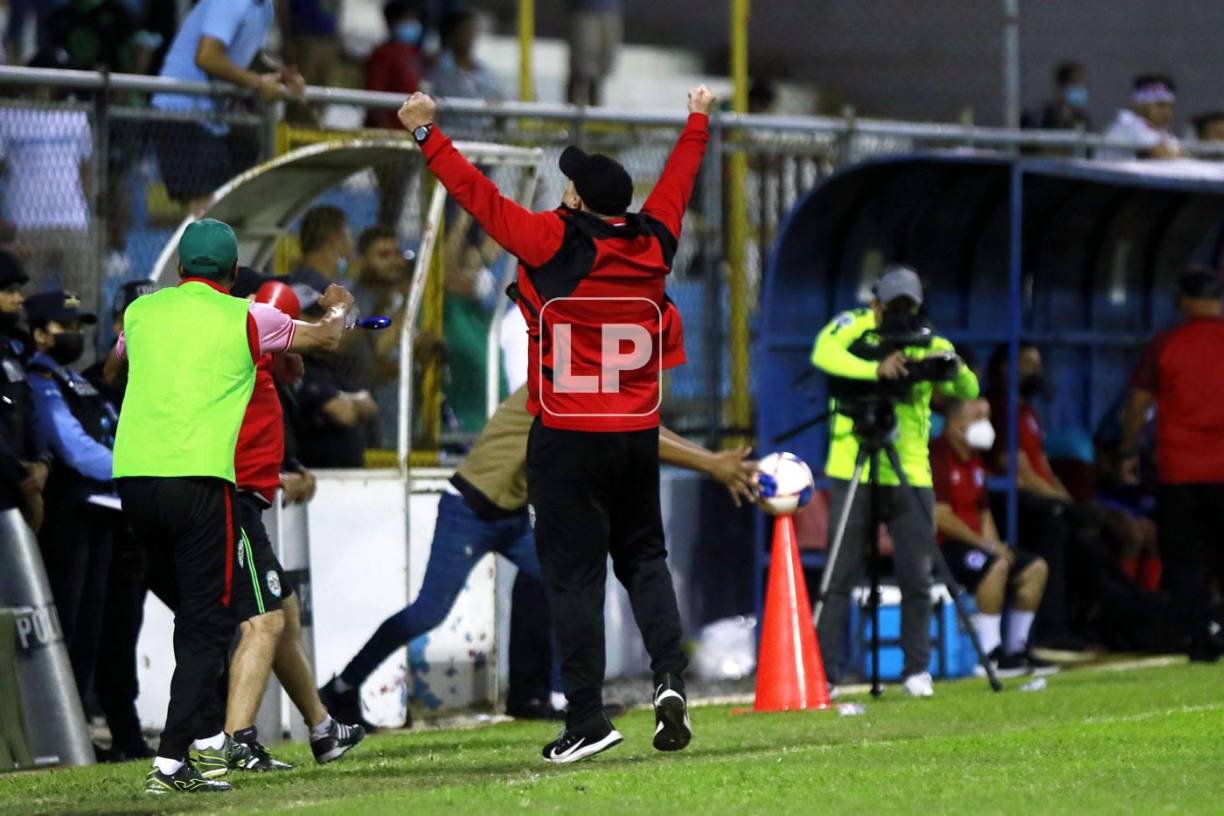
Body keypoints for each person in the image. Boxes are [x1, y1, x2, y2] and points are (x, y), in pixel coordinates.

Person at [396, 84, 715, 762]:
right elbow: (679, 183)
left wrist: (429, 136)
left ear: (574, 199)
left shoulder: (550, 239)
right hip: (635, 435)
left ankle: (587, 719)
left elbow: (478, 199)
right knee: (646, 560)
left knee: (574, 581)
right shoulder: (656, 240)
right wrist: (697, 120)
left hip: (568, 435)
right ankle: (668, 677)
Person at [319, 385, 757, 726]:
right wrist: (712, 462)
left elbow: (632, 423)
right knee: (429, 612)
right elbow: (634, 431)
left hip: (512, 512)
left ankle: (542, 694)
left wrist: (711, 459)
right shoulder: (559, 384)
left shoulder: (575, 375)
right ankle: (341, 687)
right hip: (471, 508)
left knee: (563, 584)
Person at [107, 218, 354, 795]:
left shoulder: (143, 313)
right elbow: (325, 338)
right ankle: (176, 762)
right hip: (198, 480)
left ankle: (200, 747)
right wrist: (340, 304)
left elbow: (116, 361)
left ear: (180, 271)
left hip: (132, 479)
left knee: (199, 617)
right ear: (235, 273)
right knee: (209, 622)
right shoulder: (248, 315)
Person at [189, 272, 365, 775]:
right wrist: (336, 310)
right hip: (235, 502)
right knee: (265, 620)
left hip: (247, 502)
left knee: (282, 607)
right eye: (281, 319)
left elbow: (291, 366)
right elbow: (316, 342)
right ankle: (234, 740)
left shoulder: (257, 358)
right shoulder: (241, 347)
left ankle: (322, 729)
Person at [810, 265, 979, 698]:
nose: (902, 313)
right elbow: (823, 355)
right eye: (894, 305)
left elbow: (969, 385)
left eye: (909, 305)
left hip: (910, 470)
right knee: (839, 574)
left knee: (916, 575)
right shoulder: (855, 328)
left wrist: (949, 367)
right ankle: (826, 673)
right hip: (855, 467)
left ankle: (916, 670)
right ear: (876, 303)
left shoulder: (930, 340)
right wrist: (876, 370)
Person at [1120, 268, 1224, 662]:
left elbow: (1138, 404)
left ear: (1184, 300)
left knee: (1187, 561)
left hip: (1180, 473)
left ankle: (1199, 640)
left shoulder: (1166, 344)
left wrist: (1128, 451)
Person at [25, 291, 119, 717]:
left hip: (100, 510)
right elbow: (74, 448)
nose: (76, 335)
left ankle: (78, 714)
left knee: (91, 621)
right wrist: (134, 468)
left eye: (80, 328)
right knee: (68, 615)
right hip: (69, 511)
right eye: (66, 328)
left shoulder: (72, 379)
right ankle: (57, 719)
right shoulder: (38, 380)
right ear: (40, 334)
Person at [931, 398, 1054, 676]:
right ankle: (990, 654)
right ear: (955, 423)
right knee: (996, 565)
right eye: (977, 417)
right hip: (945, 548)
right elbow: (940, 516)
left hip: (977, 546)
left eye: (986, 416)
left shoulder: (975, 460)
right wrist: (987, 547)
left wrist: (996, 546)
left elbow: (983, 513)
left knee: (1035, 568)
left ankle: (1017, 649)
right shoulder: (938, 456)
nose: (985, 424)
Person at [151, 0, 304, 213]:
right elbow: (207, 57)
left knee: (219, 215)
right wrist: (259, 84)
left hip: (214, 117)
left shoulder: (265, 7)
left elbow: (250, 55)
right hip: (181, 110)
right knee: (204, 215)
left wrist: (281, 74)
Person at [0, 60, 93, 300]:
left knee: (78, 300)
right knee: (23, 300)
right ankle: (24, 338)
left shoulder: (75, 114)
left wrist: (87, 214)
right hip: (26, 224)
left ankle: (82, 338)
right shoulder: (9, 114)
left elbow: (85, 168)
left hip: (73, 223)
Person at [295, 288, 377, 468]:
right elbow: (344, 413)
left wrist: (344, 400)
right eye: (314, 316)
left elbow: (369, 404)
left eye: (325, 316)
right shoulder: (293, 366)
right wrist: (346, 401)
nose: (324, 323)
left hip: (341, 482)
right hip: (312, 480)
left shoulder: (321, 364)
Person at [0, 251, 49, 537]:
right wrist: (24, 479)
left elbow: (28, 411)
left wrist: (42, 463)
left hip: (18, 484)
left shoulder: (10, 348)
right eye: (9, 291)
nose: (19, 299)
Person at [365, 1, 426, 226]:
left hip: (410, 138)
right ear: (392, 22)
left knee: (398, 201)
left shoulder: (413, 54)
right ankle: (384, 238)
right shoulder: (384, 55)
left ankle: (389, 237)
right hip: (391, 140)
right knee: (391, 201)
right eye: (406, 19)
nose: (412, 25)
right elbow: (374, 99)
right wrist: (389, 134)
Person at [282, 0, 342, 124]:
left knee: (322, 94)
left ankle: (314, 130)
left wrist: (336, 38)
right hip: (305, 39)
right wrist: (287, 39)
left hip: (328, 39)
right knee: (300, 92)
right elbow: (284, 6)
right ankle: (293, 132)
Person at [429, 8, 504, 104]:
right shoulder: (437, 68)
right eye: (465, 30)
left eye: (472, 30)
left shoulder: (484, 71)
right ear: (452, 33)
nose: (470, 35)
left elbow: (500, 103)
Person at [1099, 74, 1181, 160]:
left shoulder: (1161, 131)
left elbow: (1185, 156)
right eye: (1160, 105)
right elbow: (1165, 156)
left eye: (1171, 107)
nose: (1167, 112)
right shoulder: (1128, 124)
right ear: (1140, 105)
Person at [567, 0, 622, 106]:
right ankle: (573, 114)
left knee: (601, 69)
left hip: (609, 10)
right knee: (583, 69)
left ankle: (595, 112)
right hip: (585, 10)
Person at [287, 206, 354, 294]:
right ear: (334, 237)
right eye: (349, 233)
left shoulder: (294, 280)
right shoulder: (321, 291)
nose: (351, 240)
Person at [1022, 61, 1091, 131]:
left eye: (1081, 85)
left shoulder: (1083, 121)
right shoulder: (1038, 118)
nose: (1079, 90)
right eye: (1074, 84)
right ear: (1061, 87)